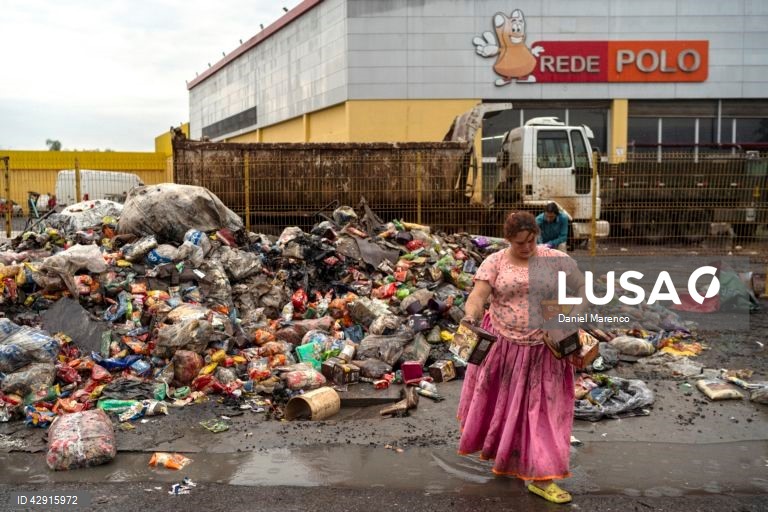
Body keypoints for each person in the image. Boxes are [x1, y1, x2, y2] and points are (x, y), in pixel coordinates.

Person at [457, 211, 586, 504]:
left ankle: (542, 477)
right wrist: (470, 316)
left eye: (531, 241)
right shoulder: (495, 262)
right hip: (505, 348)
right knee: (507, 410)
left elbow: (580, 289)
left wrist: (573, 319)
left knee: (543, 414)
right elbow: (478, 296)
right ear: (508, 240)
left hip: (546, 348)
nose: (526, 247)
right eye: (519, 243)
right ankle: (511, 457)